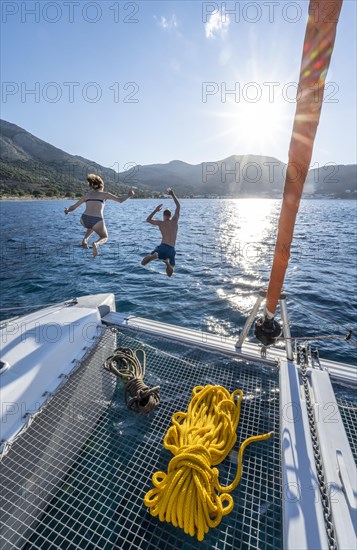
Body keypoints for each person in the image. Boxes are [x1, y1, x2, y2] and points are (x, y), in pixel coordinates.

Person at [64, 174, 134, 258]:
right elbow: (120, 200)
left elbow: (74, 207)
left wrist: (67, 211)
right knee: (104, 236)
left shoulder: (87, 195)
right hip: (97, 220)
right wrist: (129, 195)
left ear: (93, 186)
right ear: (102, 185)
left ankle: (85, 239)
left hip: (84, 219)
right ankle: (96, 244)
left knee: (91, 226)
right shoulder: (105, 194)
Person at [141, 187, 180, 277]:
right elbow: (178, 206)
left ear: (164, 215)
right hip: (172, 249)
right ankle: (167, 263)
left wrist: (155, 210)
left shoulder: (160, 223)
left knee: (143, 263)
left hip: (162, 247)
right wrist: (172, 195)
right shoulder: (175, 221)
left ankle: (153, 256)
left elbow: (148, 220)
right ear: (170, 215)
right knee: (170, 273)